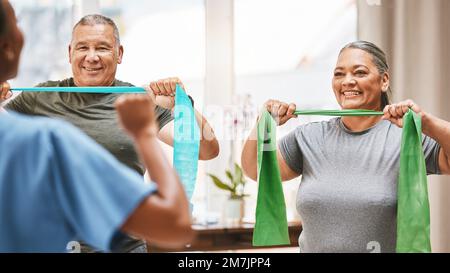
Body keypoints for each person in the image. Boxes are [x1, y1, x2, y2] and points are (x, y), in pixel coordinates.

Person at [0, 13, 218, 252]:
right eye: (83, 47)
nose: (91, 57)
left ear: (119, 53)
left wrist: (184, 103)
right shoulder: (39, 97)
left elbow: (207, 149)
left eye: (102, 48)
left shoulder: (140, 100)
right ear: (70, 52)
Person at [241, 40, 450, 253]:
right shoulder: (309, 137)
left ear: (384, 80)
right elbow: (253, 168)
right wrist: (263, 124)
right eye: (339, 74)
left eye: (359, 73)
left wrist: (427, 123)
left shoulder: (407, 139)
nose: (347, 81)